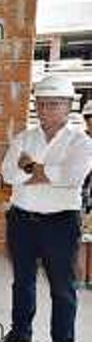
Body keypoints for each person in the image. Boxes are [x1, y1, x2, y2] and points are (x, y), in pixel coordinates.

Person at [0, 75, 92, 342]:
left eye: (55, 103)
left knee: (62, 288)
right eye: (42, 103)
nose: (47, 109)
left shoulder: (81, 143)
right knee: (22, 281)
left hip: (60, 224)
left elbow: (72, 177)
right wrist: (47, 173)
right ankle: (20, 333)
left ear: (69, 106)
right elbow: (7, 174)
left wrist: (30, 168)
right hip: (22, 220)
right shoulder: (24, 137)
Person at [78, 100, 92, 289]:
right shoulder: (81, 141)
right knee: (81, 238)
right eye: (89, 119)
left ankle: (90, 279)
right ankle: (79, 278)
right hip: (82, 196)